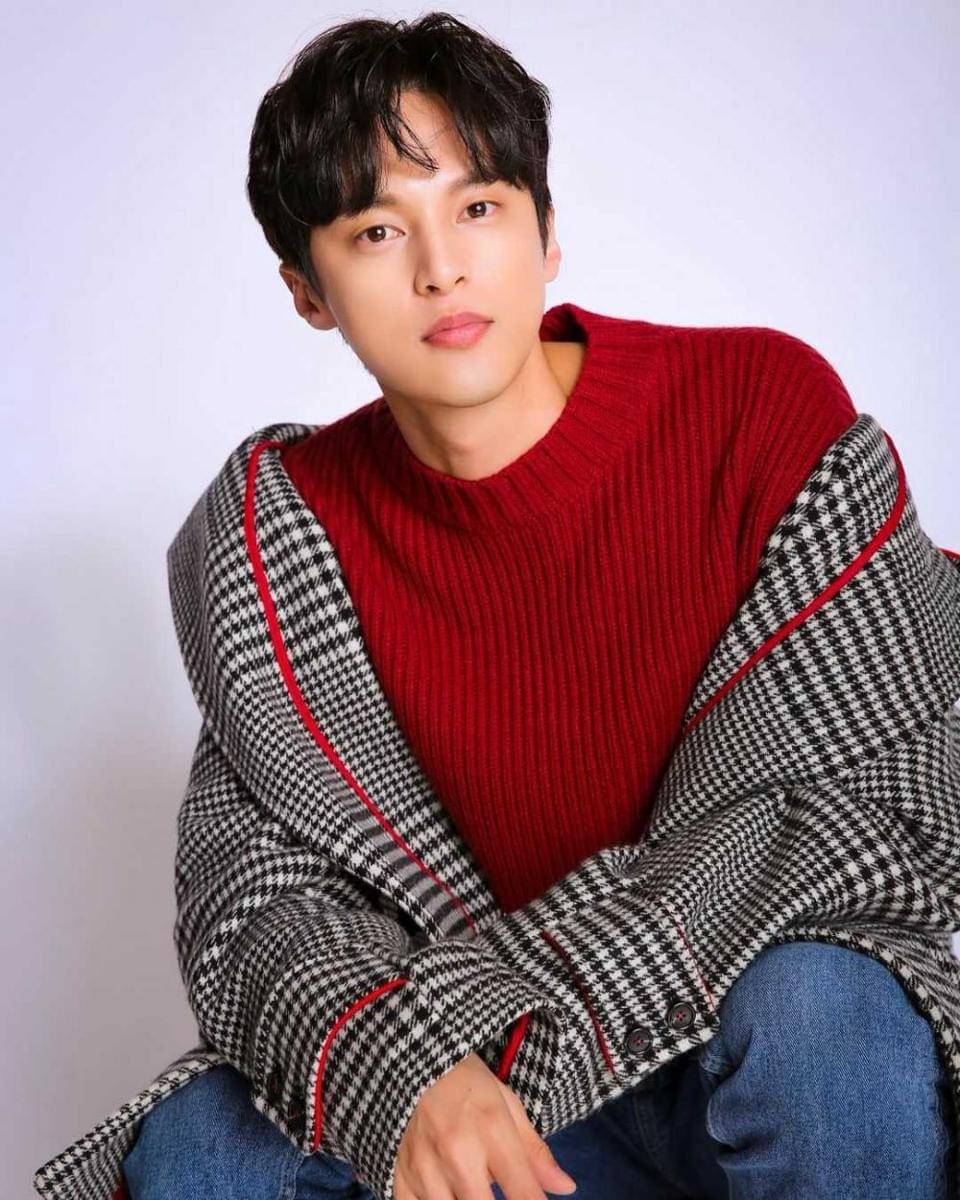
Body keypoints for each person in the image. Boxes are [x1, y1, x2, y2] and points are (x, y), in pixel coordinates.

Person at [34, 11, 959, 1200]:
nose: (441, 269)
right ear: (308, 291)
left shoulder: (757, 409)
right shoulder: (280, 535)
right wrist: (407, 1069)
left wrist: (469, 1023)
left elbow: (875, 796)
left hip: (737, 1043)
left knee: (826, 1010)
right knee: (207, 1143)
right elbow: (253, 901)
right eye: (377, 231)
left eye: (478, 208)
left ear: (547, 231)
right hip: (503, 1119)